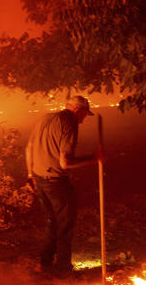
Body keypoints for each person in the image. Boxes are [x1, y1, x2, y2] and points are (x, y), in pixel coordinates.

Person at [25, 95, 96, 277]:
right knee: (64, 224)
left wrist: (30, 175)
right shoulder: (69, 123)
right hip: (56, 182)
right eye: (84, 115)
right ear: (78, 111)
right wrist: (94, 158)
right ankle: (63, 270)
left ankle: (44, 263)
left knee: (52, 222)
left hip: (39, 179)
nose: (82, 120)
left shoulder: (45, 118)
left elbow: (29, 148)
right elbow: (65, 162)